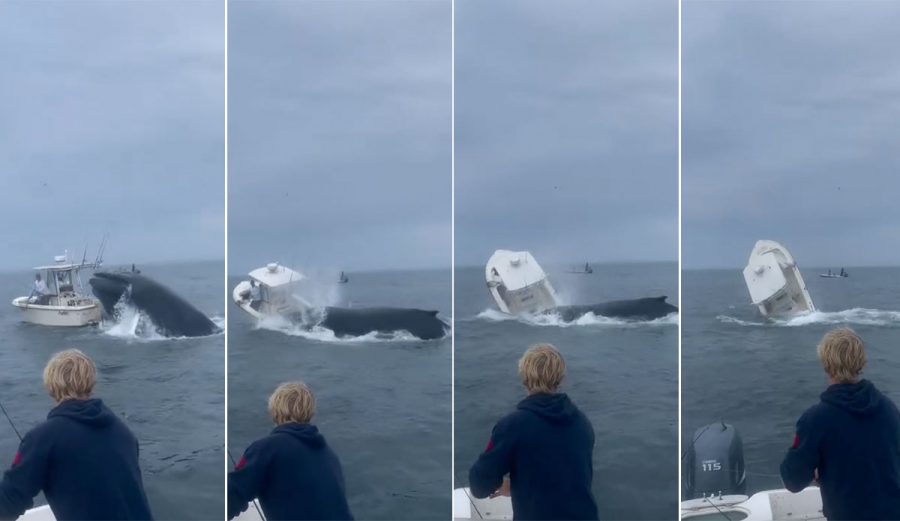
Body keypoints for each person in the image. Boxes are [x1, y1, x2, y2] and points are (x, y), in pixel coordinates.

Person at [0, 349, 153, 520]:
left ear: (50, 386)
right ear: (91, 383)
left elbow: (9, 501)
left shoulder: (43, 438)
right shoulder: (123, 432)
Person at [780, 328, 900, 520]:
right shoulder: (889, 409)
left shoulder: (815, 419)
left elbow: (793, 480)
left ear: (825, 364)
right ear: (862, 362)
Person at [468, 344, 598, 520]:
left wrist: (503, 484)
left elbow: (479, 485)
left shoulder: (513, 425)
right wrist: (516, 486)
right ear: (562, 378)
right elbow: (565, 477)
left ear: (524, 379)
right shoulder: (582, 423)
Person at [228, 382, 353, 521]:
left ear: (274, 411)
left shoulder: (267, 448)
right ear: (311, 413)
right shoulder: (329, 455)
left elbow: (232, 493)